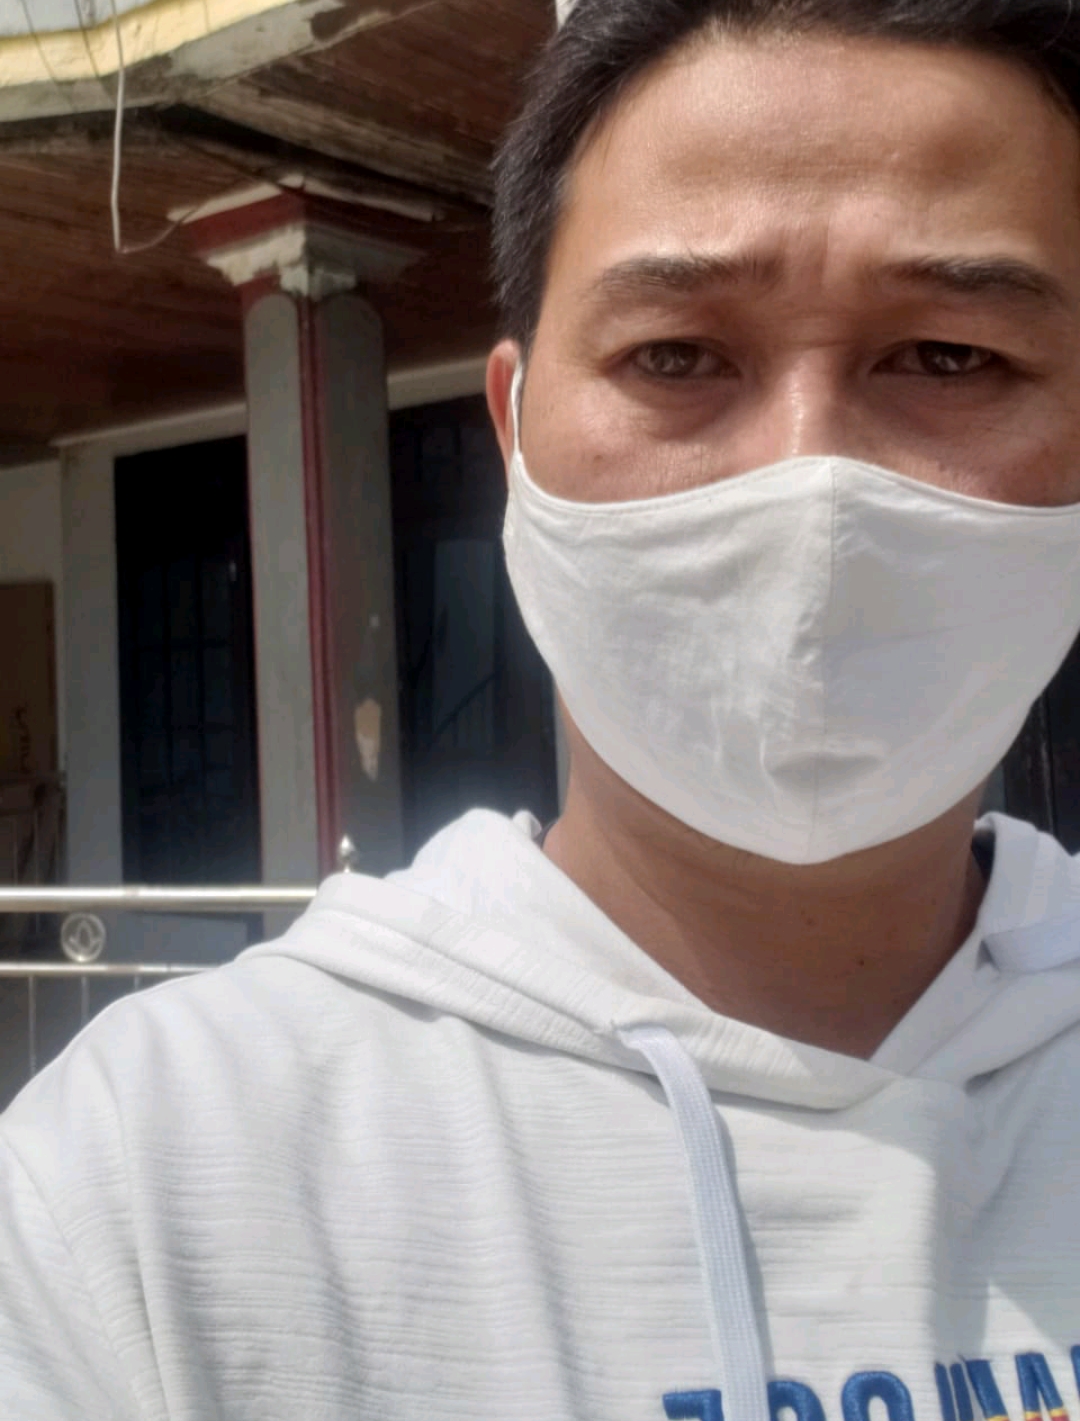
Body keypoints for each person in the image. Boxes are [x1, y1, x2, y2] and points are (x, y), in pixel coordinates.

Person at [7, 0, 1080, 1415]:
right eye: (675, 355)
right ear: (514, 436)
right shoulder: (140, 1189)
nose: (809, 482)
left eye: (949, 356)